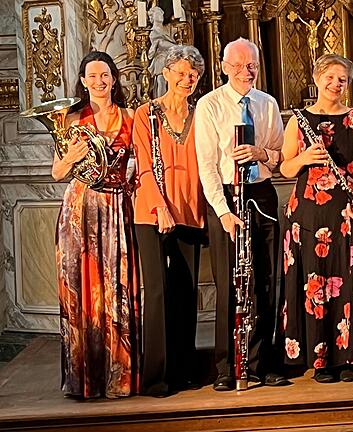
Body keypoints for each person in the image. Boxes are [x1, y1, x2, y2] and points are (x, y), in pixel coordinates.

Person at [281, 54, 353, 383]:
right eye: (330, 77)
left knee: (349, 280)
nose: (335, 84)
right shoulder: (298, 120)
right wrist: (302, 158)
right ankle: (320, 360)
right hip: (308, 215)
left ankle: (349, 358)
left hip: (346, 211)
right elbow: (284, 168)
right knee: (314, 283)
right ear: (316, 78)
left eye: (342, 79)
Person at [195, 37, 288, 391]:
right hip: (225, 197)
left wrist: (261, 153)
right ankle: (226, 367)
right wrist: (222, 212)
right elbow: (206, 166)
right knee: (229, 285)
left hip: (261, 193)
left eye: (251, 65)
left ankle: (263, 363)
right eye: (237, 65)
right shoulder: (209, 105)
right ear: (223, 67)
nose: (245, 72)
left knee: (264, 280)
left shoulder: (267, 103)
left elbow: (278, 155)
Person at [53, 51, 140, 398]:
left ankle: (118, 378)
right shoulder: (73, 118)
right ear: (83, 80)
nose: (99, 82)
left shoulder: (131, 117)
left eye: (105, 75)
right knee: (83, 292)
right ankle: (84, 380)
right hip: (80, 210)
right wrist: (72, 157)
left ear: (114, 79)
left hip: (117, 207)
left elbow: (139, 165)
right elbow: (57, 172)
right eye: (92, 76)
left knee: (116, 289)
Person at [132, 45, 206, 396]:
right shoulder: (145, 114)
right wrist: (160, 206)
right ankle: (156, 376)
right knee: (159, 291)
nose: (186, 79)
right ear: (165, 73)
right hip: (151, 211)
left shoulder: (201, 113)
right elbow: (144, 165)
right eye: (180, 72)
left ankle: (183, 369)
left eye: (192, 74)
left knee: (185, 293)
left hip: (191, 210)